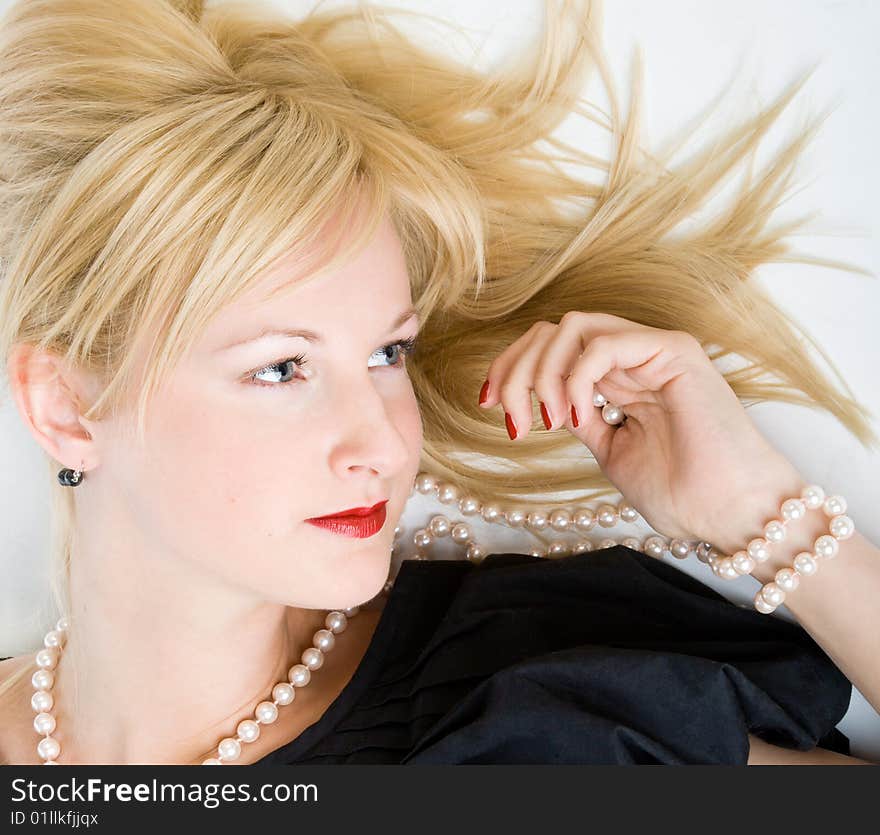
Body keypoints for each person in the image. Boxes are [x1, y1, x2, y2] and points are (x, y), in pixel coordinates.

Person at [0, 0, 876, 766]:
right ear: (65, 407)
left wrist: (770, 518)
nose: (383, 443)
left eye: (389, 354)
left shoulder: (518, 721)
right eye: (280, 367)